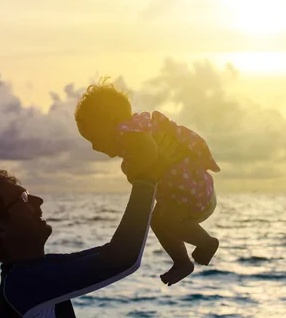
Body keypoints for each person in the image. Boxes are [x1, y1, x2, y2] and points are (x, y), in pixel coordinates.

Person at [0, 133, 184, 318]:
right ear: (0, 229)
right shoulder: (23, 284)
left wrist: (147, 174)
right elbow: (122, 258)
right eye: (23, 198)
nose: (38, 201)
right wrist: (147, 178)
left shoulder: (39, 270)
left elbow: (111, 252)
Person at [74, 78, 220, 286]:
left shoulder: (131, 133)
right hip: (177, 189)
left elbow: (149, 154)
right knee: (158, 221)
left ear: (113, 122)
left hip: (187, 187)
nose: (95, 147)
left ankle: (206, 243)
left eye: (95, 139)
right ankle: (182, 261)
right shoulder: (134, 132)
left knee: (168, 221)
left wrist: (133, 172)